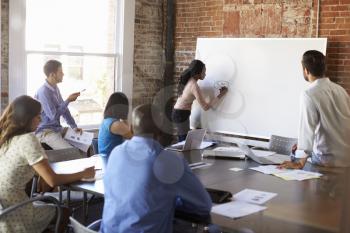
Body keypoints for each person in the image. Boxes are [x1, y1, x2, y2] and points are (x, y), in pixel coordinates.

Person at [100, 104, 212, 233]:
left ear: (131, 127)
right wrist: (171, 200)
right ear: (161, 130)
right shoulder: (168, 161)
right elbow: (204, 205)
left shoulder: (116, 152)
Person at [0, 95, 95, 233]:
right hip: (16, 213)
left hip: (3, 209)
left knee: (46, 205)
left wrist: (40, 174)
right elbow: (52, 180)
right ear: (27, 118)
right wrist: (83, 173)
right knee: (63, 211)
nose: (41, 119)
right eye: (38, 116)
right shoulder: (28, 139)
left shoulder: (6, 138)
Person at [279, 50, 350, 169]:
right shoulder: (341, 90)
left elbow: (307, 130)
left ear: (306, 71)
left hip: (325, 160)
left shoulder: (309, 94)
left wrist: (300, 162)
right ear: (323, 69)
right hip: (346, 159)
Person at [172, 59, 228, 141]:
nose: (205, 74)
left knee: (184, 140)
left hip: (179, 113)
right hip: (180, 114)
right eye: (204, 72)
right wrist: (221, 94)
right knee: (184, 142)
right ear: (198, 73)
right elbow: (205, 107)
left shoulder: (189, 80)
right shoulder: (193, 85)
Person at [35, 59, 83, 149]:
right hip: (46, 132)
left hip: (57, 129)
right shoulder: (43, 92)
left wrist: (74, 126)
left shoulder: (55, 88)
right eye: (61, 72)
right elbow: (53, 117)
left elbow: (64, 110)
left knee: (86, 144)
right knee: (71, 151)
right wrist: (68, 100)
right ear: (52, 74)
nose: (63, 74)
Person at [98, 92, 132, 157]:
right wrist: (125, 118)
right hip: (111, 159)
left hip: (105, 158)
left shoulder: (106, 120)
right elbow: (133, 139)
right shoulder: (116, 124)